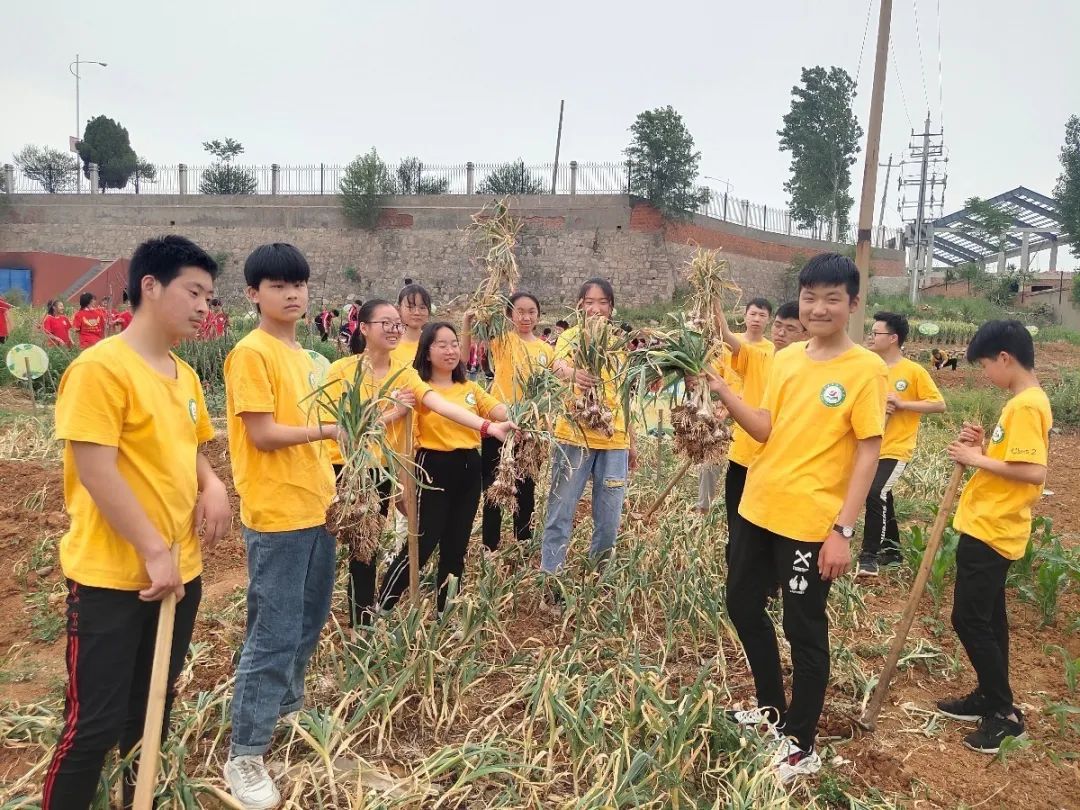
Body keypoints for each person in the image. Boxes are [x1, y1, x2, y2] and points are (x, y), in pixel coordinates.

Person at [41, 235, 229, 810]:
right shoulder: (101, 368)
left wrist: (213, 482)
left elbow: (191, 443)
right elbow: (95, 470)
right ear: (150, 286)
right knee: (93, 725)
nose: (204, 307)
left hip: (178, 570)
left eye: (209, 296)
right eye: (193, 292)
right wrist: (152, 548)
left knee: (149, 711)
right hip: (114, 577)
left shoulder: (182, 373)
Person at [707, 253, 886, 784]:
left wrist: (842, 531)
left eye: (833, 298)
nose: (819, 307)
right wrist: (723, 392)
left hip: (811, 524)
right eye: (810, 297)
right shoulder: (785, 360)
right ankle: (770, 711)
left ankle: (800, 742)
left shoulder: (865, 370)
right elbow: (764, 427)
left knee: (802, 627)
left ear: (853, 304)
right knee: (742, 603)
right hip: (758, 508)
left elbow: (868, 454)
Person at [222, 243, 340, 809]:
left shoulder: (304, 354)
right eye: (277, 285)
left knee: (309, 619)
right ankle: (245, 752)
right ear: (253, 294)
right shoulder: (252, 353)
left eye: (299, 284)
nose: (292, 294)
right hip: (277, 514)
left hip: (318, 506)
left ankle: (286, 712)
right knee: (272, 631)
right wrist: (329, 432)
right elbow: (263, 434)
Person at [324, 302, 513, 626]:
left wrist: (491, 426)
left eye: (397, 323)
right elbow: (341, 425)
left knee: (431, 545)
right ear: (364, 327)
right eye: (387, 322)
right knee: (373, 548)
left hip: (392, 467)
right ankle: (366, 616)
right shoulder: (342, 369)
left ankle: (427, 613)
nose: (395, 328)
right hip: (352, 467)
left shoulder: (407, 375)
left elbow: (439, 404)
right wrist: (392, 414)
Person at [937, 320, 1051, 754]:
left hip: (992, 528)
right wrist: (983, 451)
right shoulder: (1024, 402)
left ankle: (1004, 713)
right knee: (990, 619)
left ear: (1005, 358)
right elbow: (1014, 460)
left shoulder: (1025, 405)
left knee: (968, 619)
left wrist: (972, 458)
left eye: (985, 364)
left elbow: (1033, 471)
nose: (985, 373)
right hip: (991, 524)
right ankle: (988, 694)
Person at [376, 321, 514, 613]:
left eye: (454, 344)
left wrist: (526, 411)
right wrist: (403, 484)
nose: (450, 350)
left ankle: (445, 612)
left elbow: (499, 409)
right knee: (423, 545)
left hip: (468, 467)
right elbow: (406, 440)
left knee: (456, 545)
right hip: (433, 469)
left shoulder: (470, 388)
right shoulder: (419, 389)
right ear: (427, 352)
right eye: (442, 344)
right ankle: (382, 607)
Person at [541, 278, 637, 589]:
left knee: (609, 519)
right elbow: (555, 366)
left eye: (603, 302)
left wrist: (632, 443)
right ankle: (550, 576)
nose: (596, 308)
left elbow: (624, 396)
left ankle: (598, 576)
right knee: (561, 510)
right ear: (580, 305)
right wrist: (574, 374)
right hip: (574, 436)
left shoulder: (619, 343)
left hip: (614, 440)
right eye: (589, 301)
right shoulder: (571, 336)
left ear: (611, 307)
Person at [463, 292, 553, 551]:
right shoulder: (501, 340)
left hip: (529, 430)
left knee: (526, 486)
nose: (526, 317)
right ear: (509, 315)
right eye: (519, 311)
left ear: (538, 315)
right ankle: (490, 545)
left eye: (531, 311)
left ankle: (522, 541)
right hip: (498, 425)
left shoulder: (545, 349)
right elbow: (469, 345)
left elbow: (558, 376)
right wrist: (469, 320)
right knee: (493, 485)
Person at [858, 312, 946, 576]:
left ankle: (869, 556)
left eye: (876, 333)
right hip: (870, 445)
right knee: (885, 495)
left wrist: (903, 404)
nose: (871, 337)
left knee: (875, 493)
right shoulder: (869, 367)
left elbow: (939, 404)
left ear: (893, 338)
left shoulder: (913, 371)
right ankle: (893, 551)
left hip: (897, 448)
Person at [696, 297, 774, 516]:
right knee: (710, 464)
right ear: (744, 316)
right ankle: (703, 509)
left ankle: (744, 512)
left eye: (762, 315)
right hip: (723, 415)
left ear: (768, 320)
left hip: (750, 419)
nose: (757, 319)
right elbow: (713, 375)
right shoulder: (727, 346)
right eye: (753, 314)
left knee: (743, 469)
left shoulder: (771, 351)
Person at [393, 283, 431, 367]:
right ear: (398, 309)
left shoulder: (433, 343)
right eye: (410, 307)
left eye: (422, 308)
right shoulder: (389, 345)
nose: (417, 312)